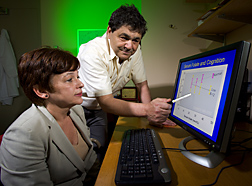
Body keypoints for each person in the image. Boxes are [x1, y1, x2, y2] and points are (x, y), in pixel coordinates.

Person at [77, 4, 173, 161]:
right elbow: (107, 102)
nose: (130, 46)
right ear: (109, 31)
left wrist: (152, 117)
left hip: (99, 109)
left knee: (99, 151)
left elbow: (142, 85)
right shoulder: (92, 53)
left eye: (136, 40)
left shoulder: (135, 51)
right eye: (124, 37)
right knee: (82, 155)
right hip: (78, 108)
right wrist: (148, 110)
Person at [0, 47, 100, 186]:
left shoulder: (76, 110)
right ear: (41, 90)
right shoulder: (24, 134)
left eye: (78, 77)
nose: (80, 84)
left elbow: (89, 162)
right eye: (69, 79)